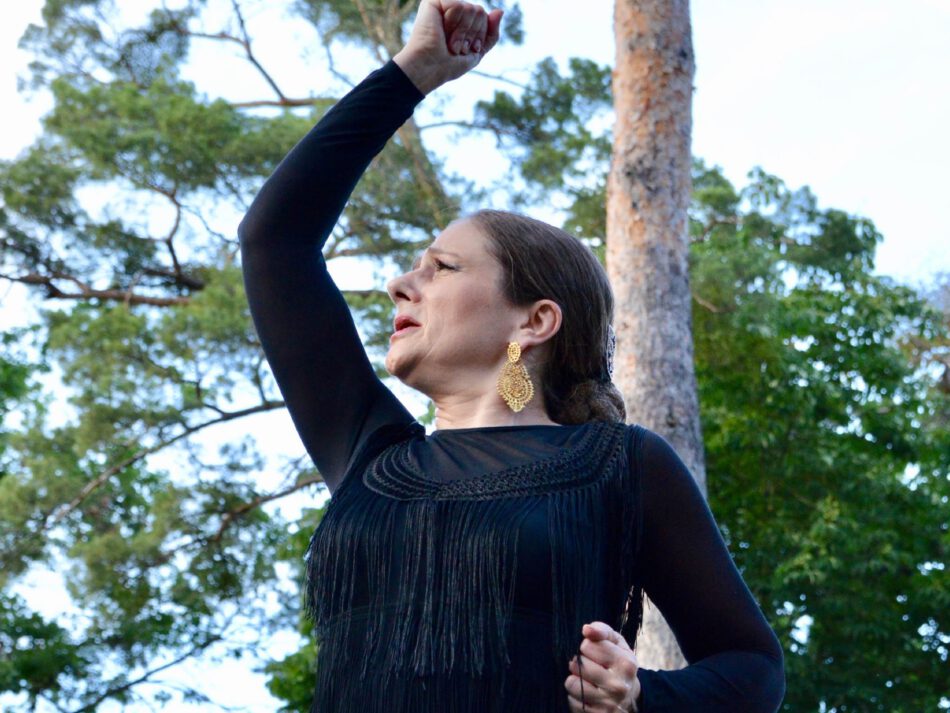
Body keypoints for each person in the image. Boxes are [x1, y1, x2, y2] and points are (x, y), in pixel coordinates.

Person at [237, 1, 786, 710]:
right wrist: (414, 72)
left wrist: (640, 694)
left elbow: (753, 667)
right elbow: (274, 242)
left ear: (535, 321)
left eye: (441, 267)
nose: (400, 283)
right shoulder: (367, 453)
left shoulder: (621, 465)